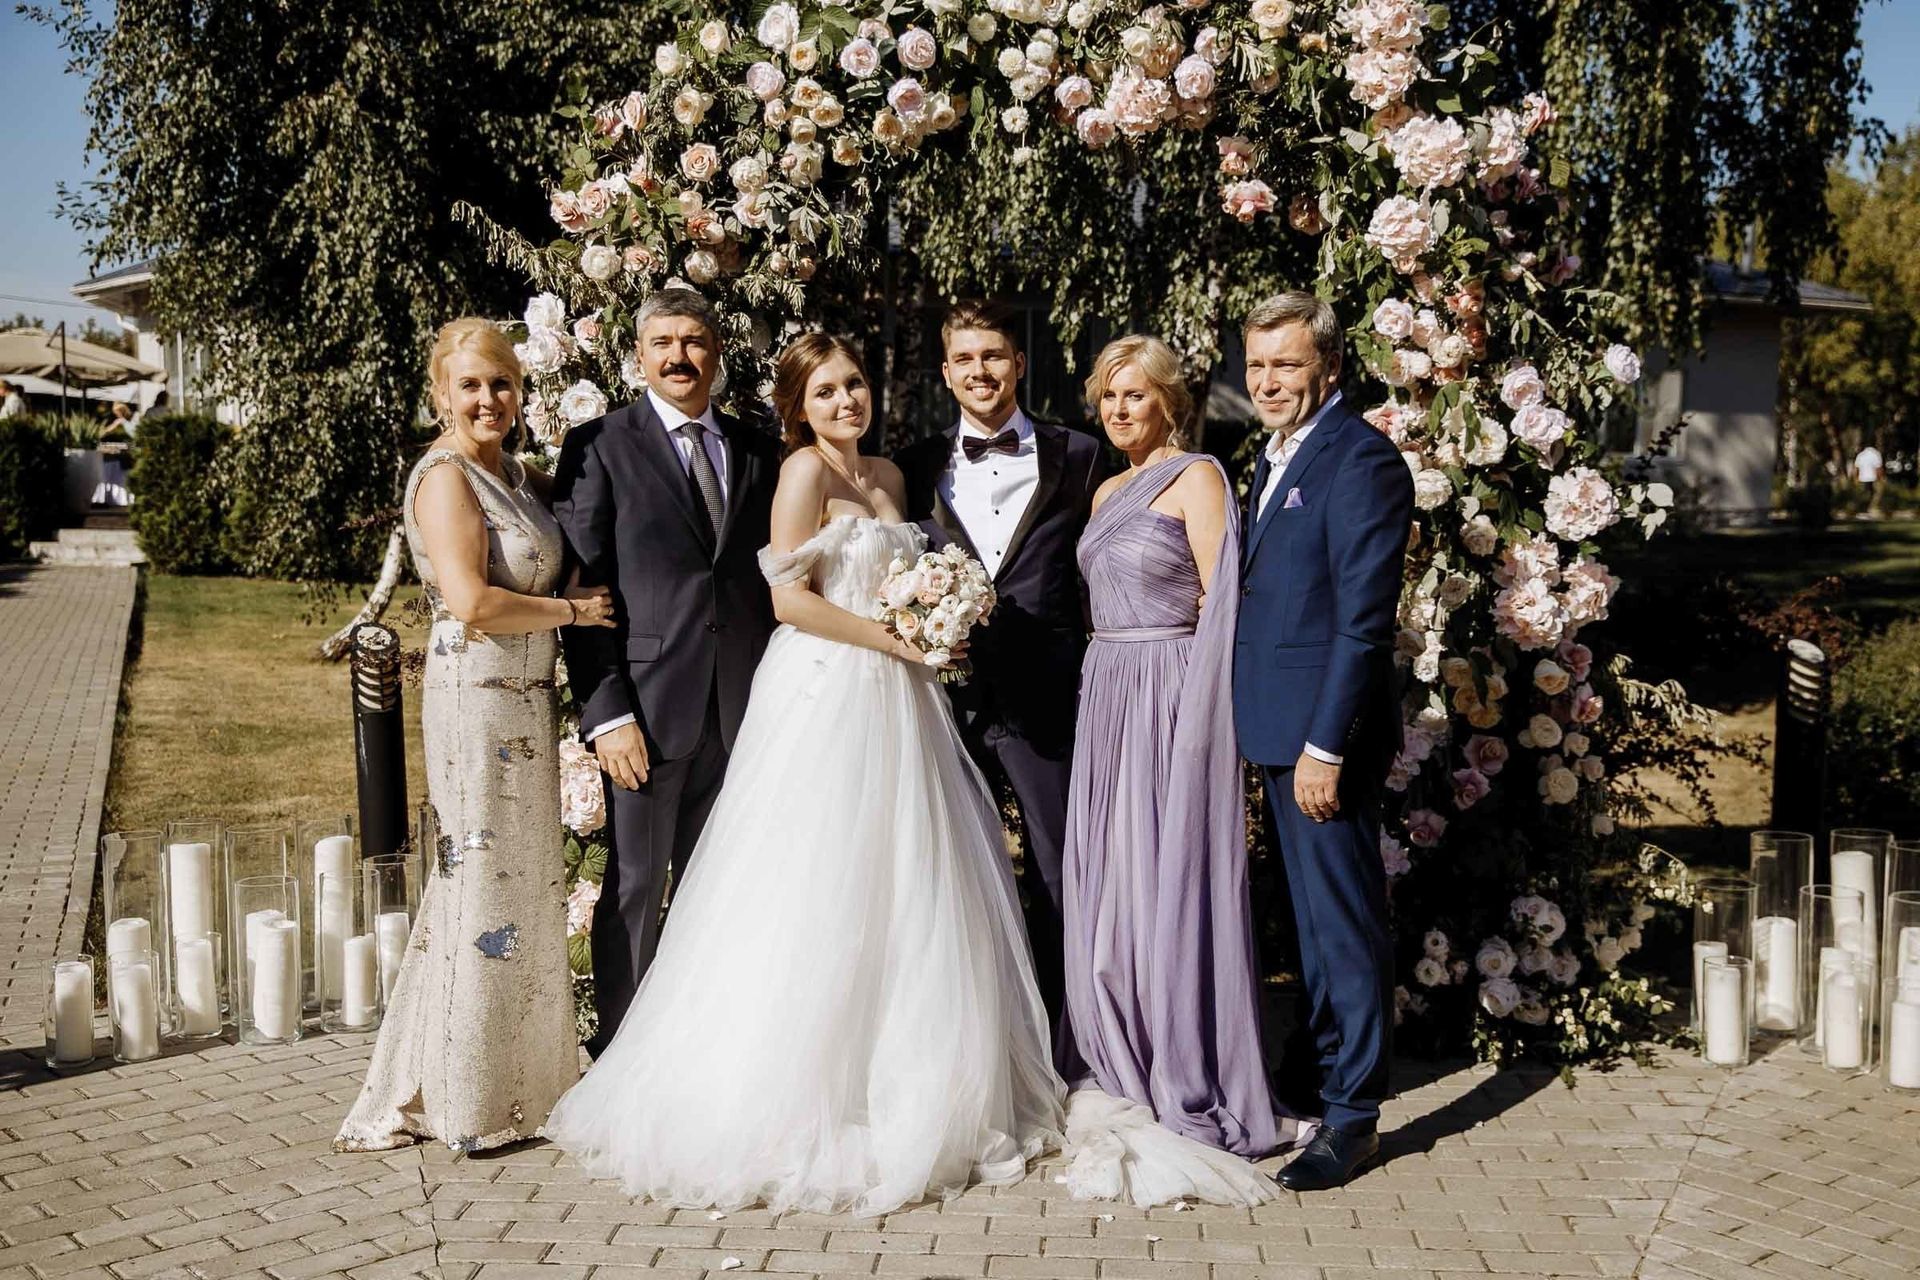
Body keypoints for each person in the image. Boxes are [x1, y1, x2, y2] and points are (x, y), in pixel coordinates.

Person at [541, 335, 1064, 1214]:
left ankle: (904, 1078)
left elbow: (913, 577)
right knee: (817, 884)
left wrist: (937, 624)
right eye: (825, 391)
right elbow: (788, 600)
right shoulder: (799, 476)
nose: (845, 401)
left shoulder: (893, 476)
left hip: (903, 700)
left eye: (855, 384)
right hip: (827, 690)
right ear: (800, 404)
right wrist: (898, 641)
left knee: (910, 884)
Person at [336, 317, 614, 1153]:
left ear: (520, 389)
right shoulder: (445, 478)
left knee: (519, 891)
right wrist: (574, 612)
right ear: (440, 395)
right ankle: (463, 1098)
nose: (488, 399)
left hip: (528, 700)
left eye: (500, 383)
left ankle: (522, 1080)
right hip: (476, 704)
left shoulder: (522, 478)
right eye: (470, 386)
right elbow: (471, 600)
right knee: (480, 884)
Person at [1062, 336, 1296, 1195]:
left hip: (1169, 696)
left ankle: (1185, 1064)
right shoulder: (1105, 490)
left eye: (1136, 395)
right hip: (1109, 691)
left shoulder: (1197, 476)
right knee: (1114, 883)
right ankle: (1118, 1049)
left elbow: (1221, 605)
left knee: (1168, 879)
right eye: (1109, 397)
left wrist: (1202, 731)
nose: (1120, 410)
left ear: (1169, 401)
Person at [551, 289, 781, 1056]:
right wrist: (608, 713)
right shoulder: (599, 446)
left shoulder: (758, 450)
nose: (679, 356)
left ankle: (705, 1055)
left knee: (725, 892)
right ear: (639, 357)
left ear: (716, 353)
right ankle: (619, 1059)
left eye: (694, 341)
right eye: (663, 343)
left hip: (743, 712)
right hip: (646, 716)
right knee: (637, 888)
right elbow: (583, 590)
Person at [894, 300, 1106, 1070]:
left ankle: (1068, 1050)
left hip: (1049, 696)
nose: (980, 371)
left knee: (1058, 872)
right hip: (943, 700)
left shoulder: (1081, 455)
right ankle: (974, 1056)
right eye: (965, 359)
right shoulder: (912, 468)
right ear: (945, 372)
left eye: (995, 356)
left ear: (1019, 364)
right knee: (951, 872)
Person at [1234, 292, 1413, 1191]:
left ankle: (1355, 1118)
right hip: (1272, 727)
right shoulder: (1269, 457)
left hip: (1318, 739)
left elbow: (1362, 624)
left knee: (1342, 925)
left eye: (1287, 365)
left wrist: (1326, 748)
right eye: (1258, 365)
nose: (1268, 382)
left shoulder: (1361, 461)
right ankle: (1319, 1073)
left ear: (1329, 369)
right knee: (1305, 922)